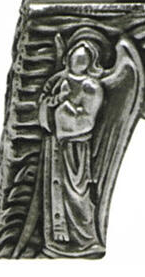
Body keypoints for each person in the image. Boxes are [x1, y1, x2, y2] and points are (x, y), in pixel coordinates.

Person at [38, 39, 105, 257]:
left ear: (90, 62)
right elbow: (45, 104)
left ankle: (85, 239)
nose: (78, 62)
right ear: (68, 58)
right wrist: (58, 99)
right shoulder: (59, 81)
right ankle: (59, 239)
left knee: (78, 192)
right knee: (58, 191)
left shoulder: (91, 87)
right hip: (57, 146)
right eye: (75, 57)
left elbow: (86, 121)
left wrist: (65, 107)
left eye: (83, 59)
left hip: (77, 147)